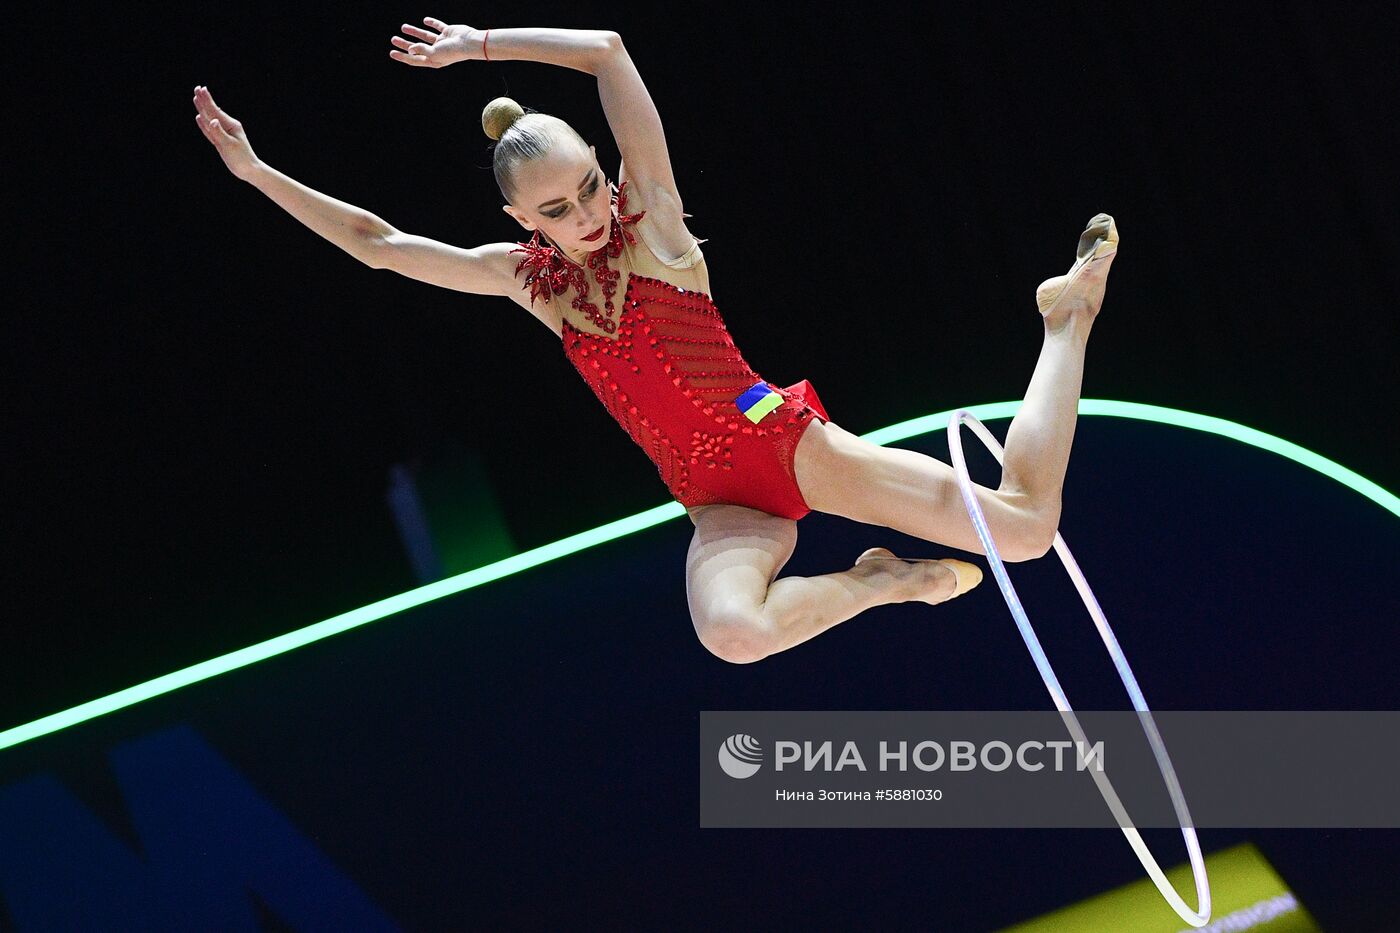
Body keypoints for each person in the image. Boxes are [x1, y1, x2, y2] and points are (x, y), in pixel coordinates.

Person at [192, 19, 1118, 665]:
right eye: (558, 208)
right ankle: (878, 580)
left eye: (592, 184)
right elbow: (379, 245)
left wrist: (479, 46)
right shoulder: (534, 286)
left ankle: (1062, 321)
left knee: (1028, 531)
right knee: (733, 634)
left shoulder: (657, 230)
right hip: (715, 499)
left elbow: (607, 53)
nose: (590, 212)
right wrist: (253, 170)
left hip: (786, 447)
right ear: (518, 217)